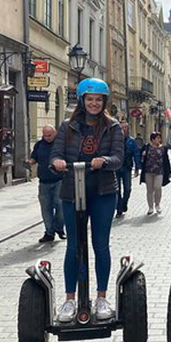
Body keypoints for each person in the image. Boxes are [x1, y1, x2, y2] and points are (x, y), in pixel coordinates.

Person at [50, 78, 124, 323]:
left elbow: (118, 158)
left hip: (103, 192)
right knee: (74, 245)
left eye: (98, 99)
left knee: (100, 245)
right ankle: (70, 299)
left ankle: (102, 297)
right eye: (90, 99)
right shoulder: (67, 127)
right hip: (72, 191)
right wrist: (57, 163)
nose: (94, 103)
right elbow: (55, 156)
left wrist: (104, 161)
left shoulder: (112, 127)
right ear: (82, 100)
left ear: (104, 101)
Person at [29, 125, 66, 243]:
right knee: (46, 208)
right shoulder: (39, 144)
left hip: (59, 180)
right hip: (44, 181)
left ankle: (59, 228)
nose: (47, 138)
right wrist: (30, 162)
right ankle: (49, 232)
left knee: (60, 205)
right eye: (44, 135)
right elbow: (34, 157)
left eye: (49, 135)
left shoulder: (61, 144)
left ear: (55, 133)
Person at [140, 132, 171, 215]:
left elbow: (166, 161)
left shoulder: (163, 148)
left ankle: (157, 204)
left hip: (159, 171)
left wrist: (169, 171)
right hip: (148, 171)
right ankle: (150, 207)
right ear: (152, 139)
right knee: (149, 190)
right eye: (157, 138)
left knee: (157, 187)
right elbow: (141, 156)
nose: (159, 140)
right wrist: (142, 155)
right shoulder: (147, 147)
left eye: (159, 138)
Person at [116, 121, 141, 218]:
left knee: (127, 188)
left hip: (127, 167)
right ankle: (119, 208)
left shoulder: (131, 141)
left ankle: (124, 203)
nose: (123, 130)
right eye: (121, 128)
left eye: (125, 128)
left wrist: (137, 167)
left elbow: (136, 154)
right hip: (116, 168)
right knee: (116, 190)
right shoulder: (115, 141)